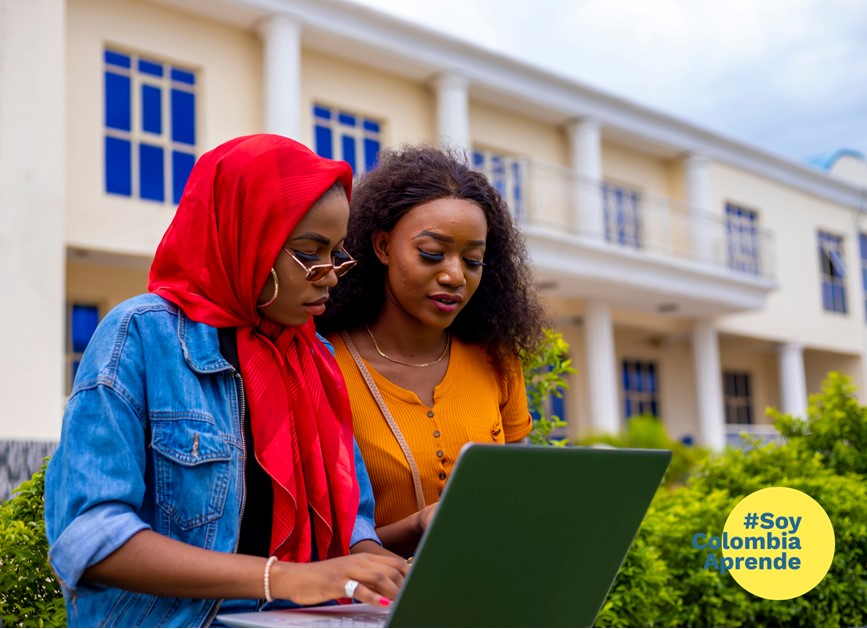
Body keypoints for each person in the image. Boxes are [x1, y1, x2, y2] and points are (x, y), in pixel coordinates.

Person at [44, 134, 407, 627]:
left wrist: (372, 569)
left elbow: (353, 517)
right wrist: (281, 578)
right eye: (308, 252)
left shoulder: (312, 354)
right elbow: (91, 537)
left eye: (337, 252)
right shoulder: (141, 335)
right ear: (244, 235)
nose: (330, 275)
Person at [316, 144, 548, 557]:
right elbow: (319, 544)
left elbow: (520, 502)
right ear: (383, 246)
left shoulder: (497, 359)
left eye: (473, 261)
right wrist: (418, 526)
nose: (454, 275)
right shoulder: (321, 362)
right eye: (431, 254)